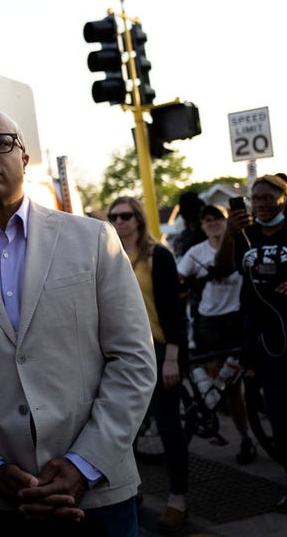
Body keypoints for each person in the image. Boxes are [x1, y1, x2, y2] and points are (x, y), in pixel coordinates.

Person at [0, 107, 157, 537]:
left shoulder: (94, 240)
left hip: (99, 492)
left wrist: (83, 464)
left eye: (0, 142)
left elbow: (133, 359)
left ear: (24, 159)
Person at [108, 196, 191, 532]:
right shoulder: (109, 258)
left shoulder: (159, 256)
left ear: (139, 219)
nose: (119, 222)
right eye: (113, 217)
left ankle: (178, 499)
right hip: (119, 353)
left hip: (157, 349)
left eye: (126, 216)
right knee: (121, 431)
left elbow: (174, 312)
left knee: (169, 426)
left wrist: (172, 357)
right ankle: (132, 493)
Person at [214, 172, 287, 511]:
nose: (259, 204)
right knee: (278, 413)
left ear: (283, 198)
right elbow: (224, 267)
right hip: (261, 336)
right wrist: (230, 232)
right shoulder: (246, 234)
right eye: (255, 199)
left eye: (268, 198)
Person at [176, 204, 256, 464]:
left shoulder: (243, 244)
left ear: (227, 221)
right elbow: (177, 279)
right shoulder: (195, 253)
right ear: (201, 226)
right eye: (207, 220)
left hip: (240, 319)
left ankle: (248, 431)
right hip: (210, 323)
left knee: (242, 384)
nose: (212, 223)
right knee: (223, 386)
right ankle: (241, 436)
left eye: (217, 219)